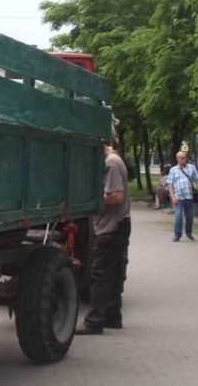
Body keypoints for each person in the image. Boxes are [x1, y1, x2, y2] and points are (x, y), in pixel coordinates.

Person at [75, 141, 131, 335]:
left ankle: (94, 321)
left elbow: (116, 196)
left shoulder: (111, 163)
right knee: (114, 272)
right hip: (117, 224)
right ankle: (113, 316)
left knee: (100, 273)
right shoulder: (113, 160)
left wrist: (93, 199)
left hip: (112, 226)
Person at [167, 151, 198, 242]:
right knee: (178, 216)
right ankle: (177, 235)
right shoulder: (173, 170)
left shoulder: (192, 168)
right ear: (178, 159)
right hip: (178, 197)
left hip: (189, 196)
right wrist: (173, 197)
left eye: (185, 157)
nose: (184, 159)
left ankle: (189, 233)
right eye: (182, 158)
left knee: (189, 216)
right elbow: (170, 184)